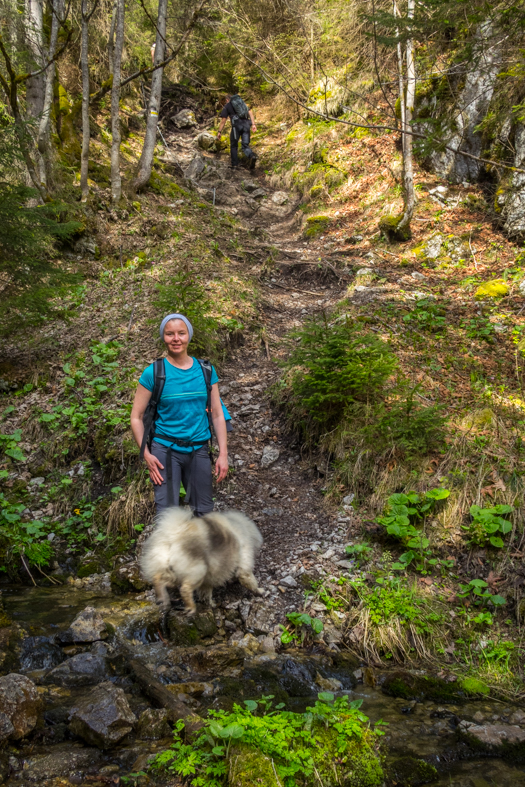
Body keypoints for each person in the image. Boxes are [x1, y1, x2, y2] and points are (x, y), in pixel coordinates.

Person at [130, 313, 228, 516]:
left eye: (181, 333)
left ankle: (199, 549)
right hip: (164, 451)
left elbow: (218, 414)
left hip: (199, 449)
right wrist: (146, 454)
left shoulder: (206, 371)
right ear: (163, 337)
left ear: (188, 336)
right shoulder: (154, 373)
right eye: (170, 334)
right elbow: (136, 417)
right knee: (167, 516)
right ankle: (169, 549)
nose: (176, 339)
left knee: (205, 513)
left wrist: (223, 454)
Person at [217, 94, 257, 169]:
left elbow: (223, 121)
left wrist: (219, 131)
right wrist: (253, 124)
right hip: (246, 125)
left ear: (227, 100)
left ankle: (234, 165)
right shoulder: (241, 103)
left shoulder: (227, 106)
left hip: (236, 127)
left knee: (234, 145)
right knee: (245, 145)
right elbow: (250, 112)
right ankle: (252, 156)